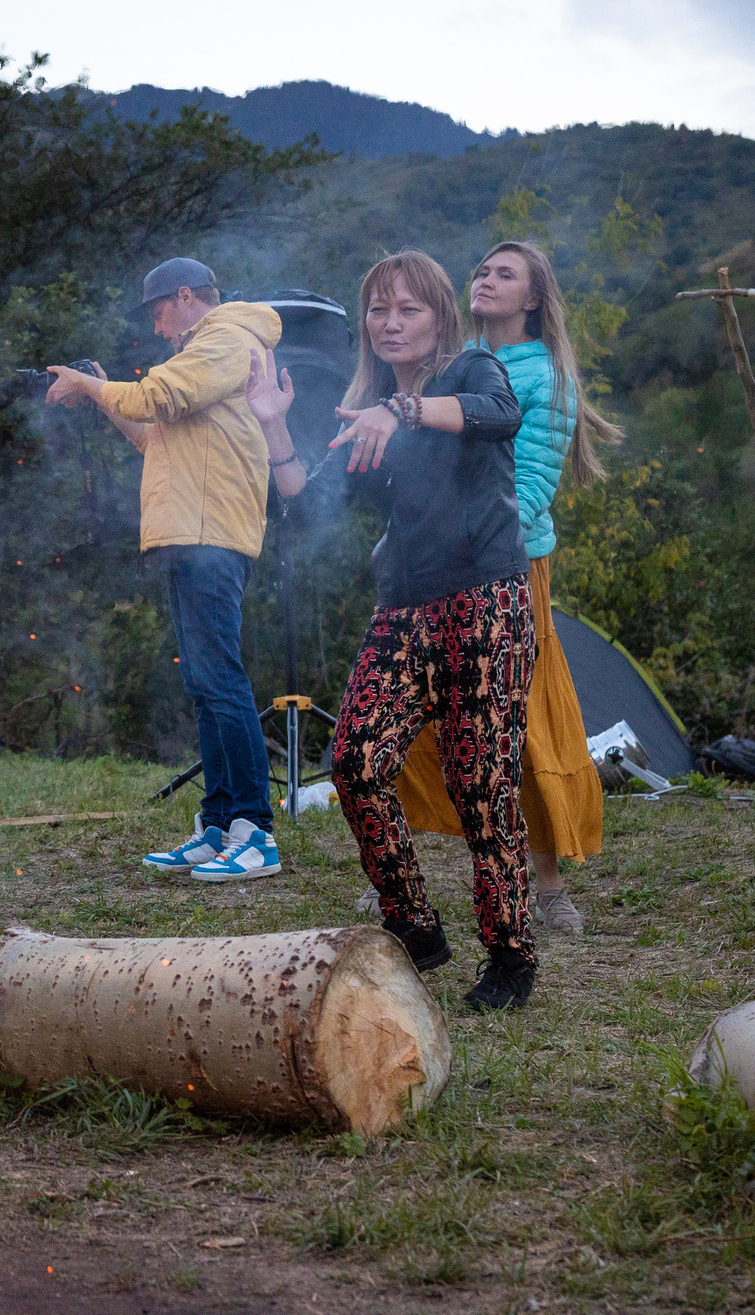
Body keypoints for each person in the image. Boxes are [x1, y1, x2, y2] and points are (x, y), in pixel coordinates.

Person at [246, 250, 541, 1011]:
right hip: (405, 607)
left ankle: (510, 956)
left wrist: (404, 409)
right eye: (378, 309)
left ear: (438, 316)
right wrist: (276, 428)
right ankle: (413, 924)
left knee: (482, 787)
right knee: (353, 759)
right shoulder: (367, 412)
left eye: (407, 308)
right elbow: (304, 500)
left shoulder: (472, 368)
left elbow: (501, 417)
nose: (389, 322)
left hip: (486, 599)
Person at [389, 241, 622, 932]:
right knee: (419, 710)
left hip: (511, 568)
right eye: (482, 268)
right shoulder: (456, 364)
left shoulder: (543, 375)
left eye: (505, 273)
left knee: (518, 719)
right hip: (437, 567)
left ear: (532, 299)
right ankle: (402, 873)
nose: (486, 278)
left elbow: (528, 489)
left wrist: (477, 558)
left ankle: (546, 885)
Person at [46, 259, 284, 882]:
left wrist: (89, 385)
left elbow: (155, 394)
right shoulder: (210, 351)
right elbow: (157, 435)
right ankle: (218, 825)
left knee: (222, 681)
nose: (157, 328)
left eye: (157, 313)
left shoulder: (227, 338)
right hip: (189, 534)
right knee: (206, 684)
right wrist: (102, 397)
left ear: (184, 297)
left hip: (210, 535)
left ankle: (255, 830)